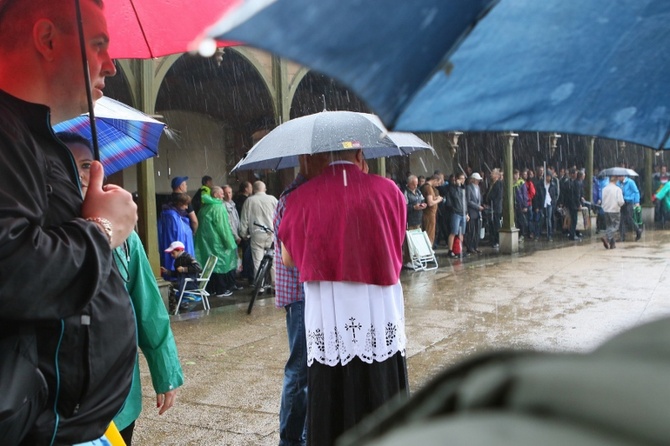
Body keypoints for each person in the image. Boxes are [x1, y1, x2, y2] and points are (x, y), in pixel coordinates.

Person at [0, 0, 139, 443]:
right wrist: (102, 231)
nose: (112, 65)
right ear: (46, 39)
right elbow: (12, 270)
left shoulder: (31, 137)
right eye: (99, 45)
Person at [278, 149, 408, 446]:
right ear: (360, 154)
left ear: (321, 157)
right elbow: (396, 240)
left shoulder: (301, 198)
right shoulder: (389, 190)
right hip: (379, 309)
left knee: (333, 392)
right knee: (378, 384)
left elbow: (287, 259)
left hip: (329, 313)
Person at [60, 132, 184, 444]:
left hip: (117, 396)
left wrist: (165, 372)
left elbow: (147, 307)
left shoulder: (124, 233)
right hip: (58, 398)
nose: (81, 174)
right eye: (66, 163)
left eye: (87, 164)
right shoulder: (38, 230)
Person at [274, 153, 330, 446]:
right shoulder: (294, 196)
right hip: (299, 293)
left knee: (311, 365)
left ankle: (305, 432)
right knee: (300, 368)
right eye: (323, 159)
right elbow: (290, 255)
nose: (330, 163)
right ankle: (291, 438)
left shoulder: (309, 192)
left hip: (308, 292)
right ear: (306, 160)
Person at [195, 186, 237, 297]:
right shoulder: (219, 208)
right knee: (220, 265)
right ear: (215, 195)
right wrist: (229, 242)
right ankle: (221, 290)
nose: (223, 196)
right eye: (222, 193)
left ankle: (210, 289)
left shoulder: (203, 208)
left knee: (209, 265)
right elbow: (223, 228)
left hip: (205, 243)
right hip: (218, 243)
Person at [239, 180, 278, 279]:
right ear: (264, 189)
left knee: (257, 261)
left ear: (254, 190)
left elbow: (244, 220)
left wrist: (243, 234)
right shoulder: (273, 199)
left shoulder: (249, 201)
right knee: (274, 260)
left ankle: (259, 285)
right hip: (271, 234)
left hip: (256, 234)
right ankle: (274, 283)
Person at [158, 193, 196, 273]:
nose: (186, 208)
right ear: (179, 204)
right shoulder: (172, 216)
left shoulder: (172, 214)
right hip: (178, 250)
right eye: (185, 205)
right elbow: (177, 234)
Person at [403, 175, 426, 267]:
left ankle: (415, 258)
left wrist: (423, 205)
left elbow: (423, 200)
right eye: (413, 184)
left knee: (416, 240)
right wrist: (413, 207)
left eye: (416, 184)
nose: (415, 186)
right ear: (409, 184)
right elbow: (404, 206)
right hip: (410, 220)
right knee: (409, 241)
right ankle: (408, 260)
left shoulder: (418, 191)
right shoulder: (405, 192)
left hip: (418, 219)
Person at [446, 172, 468, 258]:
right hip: (455, 213)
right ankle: (450, 250)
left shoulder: (463, 188)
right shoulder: (452, 188)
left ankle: (459, 250)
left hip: (463, 212)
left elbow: (465, 201)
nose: (463, 180)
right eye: (461, 179)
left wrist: (466, 213)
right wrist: (457, 185)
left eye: (464, 179)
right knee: (453, 232)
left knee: (461, 233)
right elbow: (454, 197)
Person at [601, 175, 625, 249]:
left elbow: (603, 199)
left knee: (609, 226)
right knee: (615, 226)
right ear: (616, 180)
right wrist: (621, 204)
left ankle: (612, 244)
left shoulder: (604, 189)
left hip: (606, 210)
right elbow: (620, 201)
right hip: (614, 210)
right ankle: (607, 237)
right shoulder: (618, 189)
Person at [420, 174, 444, 247]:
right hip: (429, 214)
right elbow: (430, 203)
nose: (437, 185)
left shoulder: (426, 187)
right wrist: (439, 200)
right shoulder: (428, 188)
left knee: (429, 233)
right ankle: (428, 251)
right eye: (438, 183)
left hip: (429, 214)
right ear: (435, 180)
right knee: (429, 234)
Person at [617, 175, 642, 241]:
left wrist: (637, 201)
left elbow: (636, 192)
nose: (618, 178)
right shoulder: (618, 183)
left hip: (629, 202)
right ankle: (622, 236)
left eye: (619, 176)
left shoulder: (630, 182)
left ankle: (638, 230)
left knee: (629, 218)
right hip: (622, 202)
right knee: (621, 219)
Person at [465, 172, 484, 254]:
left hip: (478, 213)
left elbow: (479, 199)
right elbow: (468, 201)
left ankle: (475, 246)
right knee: (471, 230)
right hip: (472, 212)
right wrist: (477, 206)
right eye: (476, 180)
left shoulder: (478, 188)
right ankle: (470, 247)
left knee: (477, 231)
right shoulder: (468, 188)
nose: (478, 181)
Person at [486, 168, 503, 248]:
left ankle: (496, 240)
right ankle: (492, 239)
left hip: (495, 207)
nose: (491, 175)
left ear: (497, 175)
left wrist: (491, 199)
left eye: (492, 173)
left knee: (496, 224)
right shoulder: (491, 184)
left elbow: (498, 196)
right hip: (491, 207)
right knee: (492, 224)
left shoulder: (499, 184)